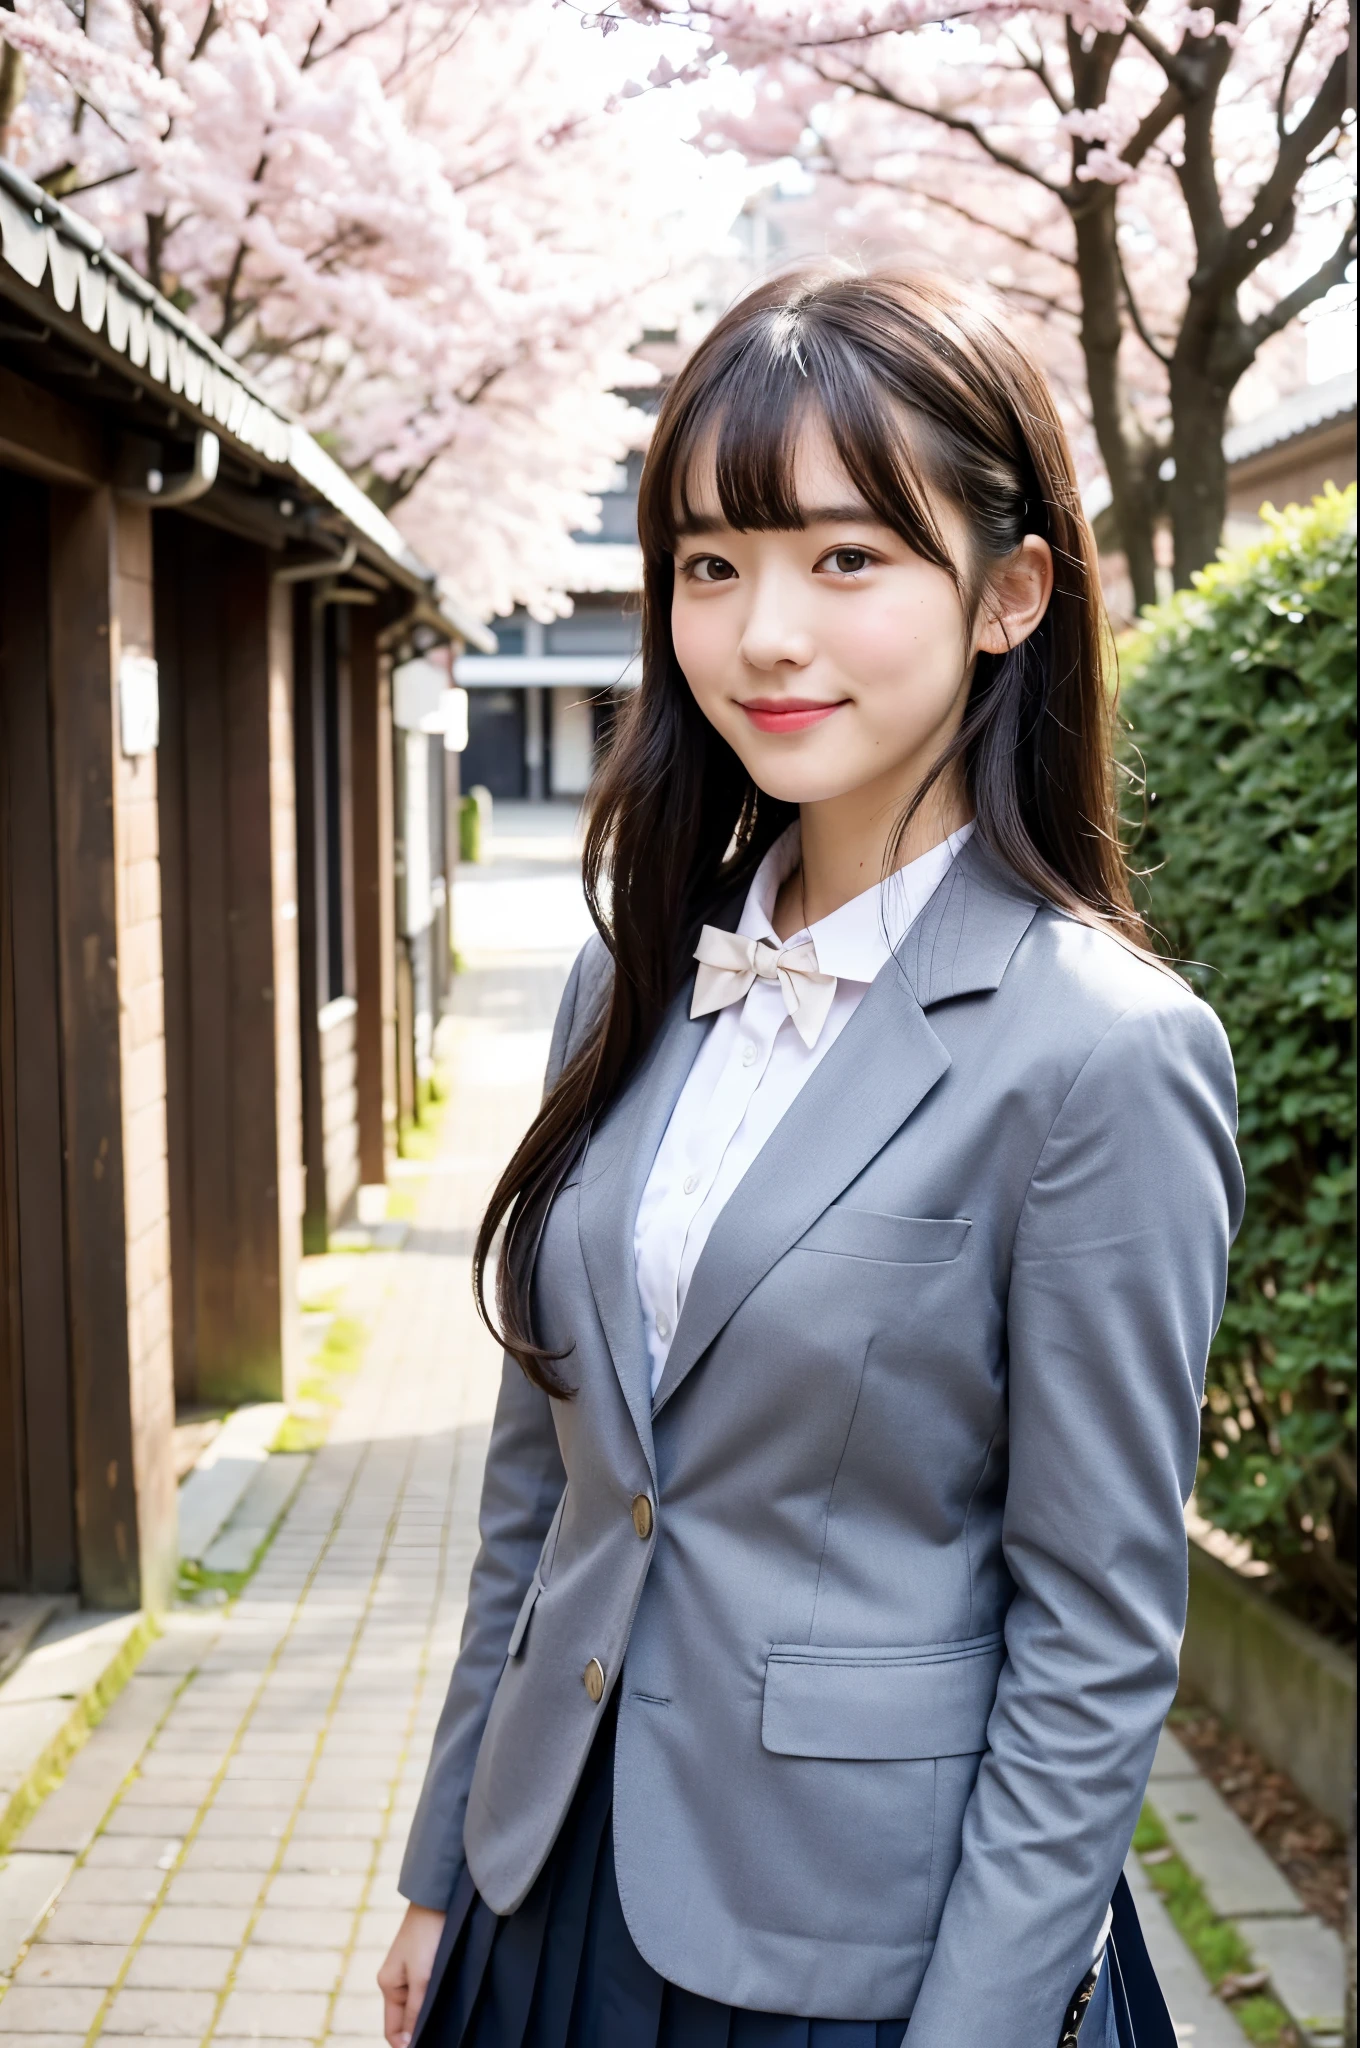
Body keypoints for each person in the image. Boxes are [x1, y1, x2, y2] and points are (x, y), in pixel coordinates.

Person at [378, 266, 1243, 2048]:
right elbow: (540, 1479)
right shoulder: (635, 972)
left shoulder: (1101, 1054)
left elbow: (1091, 1643)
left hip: (867, 1958)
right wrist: (443, 1865)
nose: (764, 632)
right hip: (548, 1885)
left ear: (1010, 593)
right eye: (711, 563)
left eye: (846, 559)